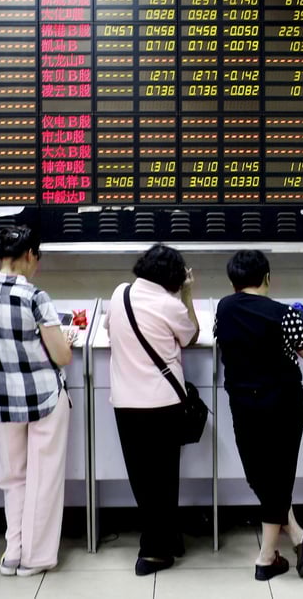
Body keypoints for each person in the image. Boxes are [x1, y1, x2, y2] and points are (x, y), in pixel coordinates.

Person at [214, 250, 303, 581]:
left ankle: (297, 537)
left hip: (242, 404)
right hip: (282, 404)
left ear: (232, 282)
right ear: (268, 278)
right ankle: (266, 558)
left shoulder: (224, 308)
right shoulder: (284, 314)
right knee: (277, 477)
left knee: (260, 475)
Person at [0, 227, 75, 576]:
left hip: (3, 399)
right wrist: (67, 340)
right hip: (43, 396)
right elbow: (61, 356)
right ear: (30, 254)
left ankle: (12, 552)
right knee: (43, 478)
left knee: (13, 477)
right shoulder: (35, 297)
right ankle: (36, 557)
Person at [104, 243, 199, 576]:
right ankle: (156, 550)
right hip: (162, 403)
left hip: (126, 403)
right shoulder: (169, 304)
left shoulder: (120, 294)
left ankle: (163, 538)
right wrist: (187, 295)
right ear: (174, 277)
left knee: (142, 479)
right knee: (164, 476)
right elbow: (190, 336)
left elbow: (107, 327)